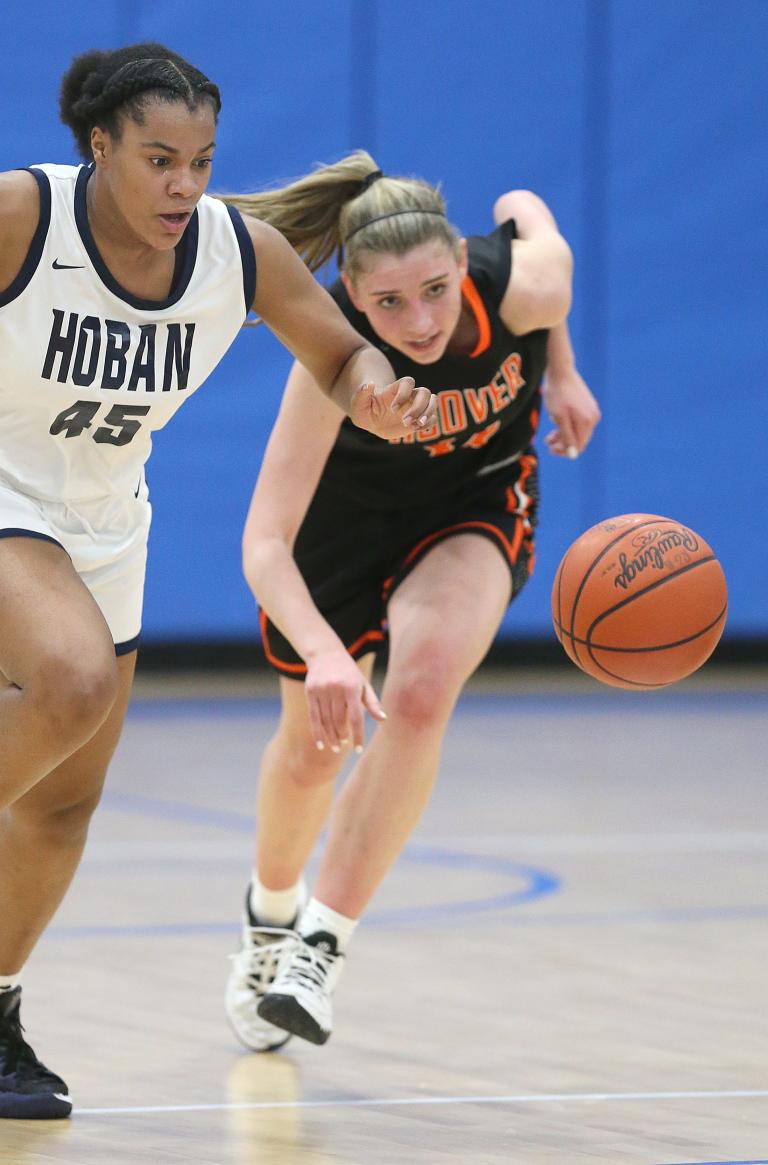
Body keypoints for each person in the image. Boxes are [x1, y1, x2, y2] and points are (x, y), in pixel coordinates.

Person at [0, 51, 433, 1118]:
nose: (184, 187)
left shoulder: (241, 256)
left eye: (200, 162)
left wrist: (377, 396)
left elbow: (339, 357)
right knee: (70, 677)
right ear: (98, 148)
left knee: (62, 801)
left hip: (101, 523)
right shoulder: (20, 212)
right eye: (158, 160)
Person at [223, 152, 601, 1050]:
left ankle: (321, 945)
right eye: (388, 303)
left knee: (422, 691)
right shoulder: (329, 357)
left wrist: (561, 372)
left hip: (472, 495)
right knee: (314, 752)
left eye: (434, 289)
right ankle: (269, 917)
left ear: (460, 266)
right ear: (350, 293)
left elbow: (524, 204)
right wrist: (322, 652)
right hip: (340, 528)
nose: (419, 321)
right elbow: (264, 543)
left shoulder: (523, 285)